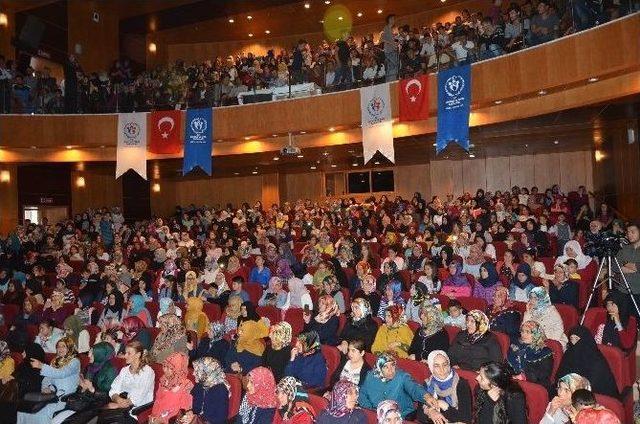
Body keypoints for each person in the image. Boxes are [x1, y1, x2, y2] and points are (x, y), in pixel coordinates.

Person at [16, 336, 81, 424]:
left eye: (63, 346)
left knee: (41, 413)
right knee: (24, 410)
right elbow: (47, 378)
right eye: (58, 346)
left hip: (65, 398)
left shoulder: (75, 362)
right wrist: (46, 387)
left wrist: (41, 366)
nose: (60, 349)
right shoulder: (55, 361)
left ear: (69, 348)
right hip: (51, 396)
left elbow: (61, 373)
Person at [359, 352, 430, 418]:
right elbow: (362, 394)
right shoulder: (370, 377)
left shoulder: (401, 376)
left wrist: (426, 396)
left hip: (402, 415)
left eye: (392, 365)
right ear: (379, 368)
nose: (390, 370)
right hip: (378, 416)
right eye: (385, 367)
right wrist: (371, 411)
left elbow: (414, 388)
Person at [98, 340, 155, 423]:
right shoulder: (125, 370)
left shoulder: (147, 372)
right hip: (122, 404)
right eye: (125, 353)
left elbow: (137, 398)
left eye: (129, 353)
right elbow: (114, 389)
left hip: (136, 411)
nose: (125, 356)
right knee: (101, 415)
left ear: (138, 355)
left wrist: (118, 405)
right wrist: (117, 399)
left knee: (108, 418)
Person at [556, 325, 618, 398]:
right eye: (571, 339)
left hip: (593, 398)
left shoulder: (597, 361)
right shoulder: (568, 354)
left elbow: (594, 386)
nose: (574, 343)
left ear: (585, 340)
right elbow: (560, 377)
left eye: (577, 339)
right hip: (567, 393)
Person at [417, 350, 473, 424]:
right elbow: (420, 415)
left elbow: (466, 419)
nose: (442, 369)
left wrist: (444, 406)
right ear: (431, 367)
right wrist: (430, 412)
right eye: (437, 366)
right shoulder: (427, 384)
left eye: (445, 364)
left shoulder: (461, 384)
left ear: (449, 365)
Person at [0, 342, 45, 423]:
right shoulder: (24, 365)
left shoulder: (40, 367)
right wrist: (7, 378)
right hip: (15, 390)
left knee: (8, 396)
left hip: (27, 392)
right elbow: (13, 375)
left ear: (31, 352)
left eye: (25, 351)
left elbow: (35, 385)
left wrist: (15, 381)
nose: (22, 353)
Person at [507, 320, 553, 391]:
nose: (523, 335)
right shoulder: (516, 346)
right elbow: (507, 364)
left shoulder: (544, 351)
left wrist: (523, 377)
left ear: (536, 334)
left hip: (536, 385)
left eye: (528, 332)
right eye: (522, 331)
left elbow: (543, 374)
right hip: (514, 382)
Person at [149, 352, 193, 424]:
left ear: (177, 369)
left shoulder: (186, 385)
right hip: (156, 418)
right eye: (165, 366)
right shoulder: (164, 380)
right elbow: (157, 401)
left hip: (171, 420)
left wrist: (162, 420)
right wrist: (152, 416)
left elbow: (182, 411)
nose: (165, 370)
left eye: (170, 368)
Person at [191, 357, 229, 424]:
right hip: (198, 419)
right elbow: (195, 407)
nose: (193, 373)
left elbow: (220, 419)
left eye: (198, 370)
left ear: (208, 372)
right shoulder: (199, 385)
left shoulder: (221, 390)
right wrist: (191, 415)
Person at [382, 14, 399, 82]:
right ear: (389, 20)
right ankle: (392, 83)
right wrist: (393, 44)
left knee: (391, 67)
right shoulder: (387, 28)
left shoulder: (390, 29)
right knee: (393, 67)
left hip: (391, 51)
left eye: (394, 19)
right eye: (392, 19)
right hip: (389, 51)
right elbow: (382, 39)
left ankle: (390, 82)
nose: (394, 20)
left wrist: (394, 44)